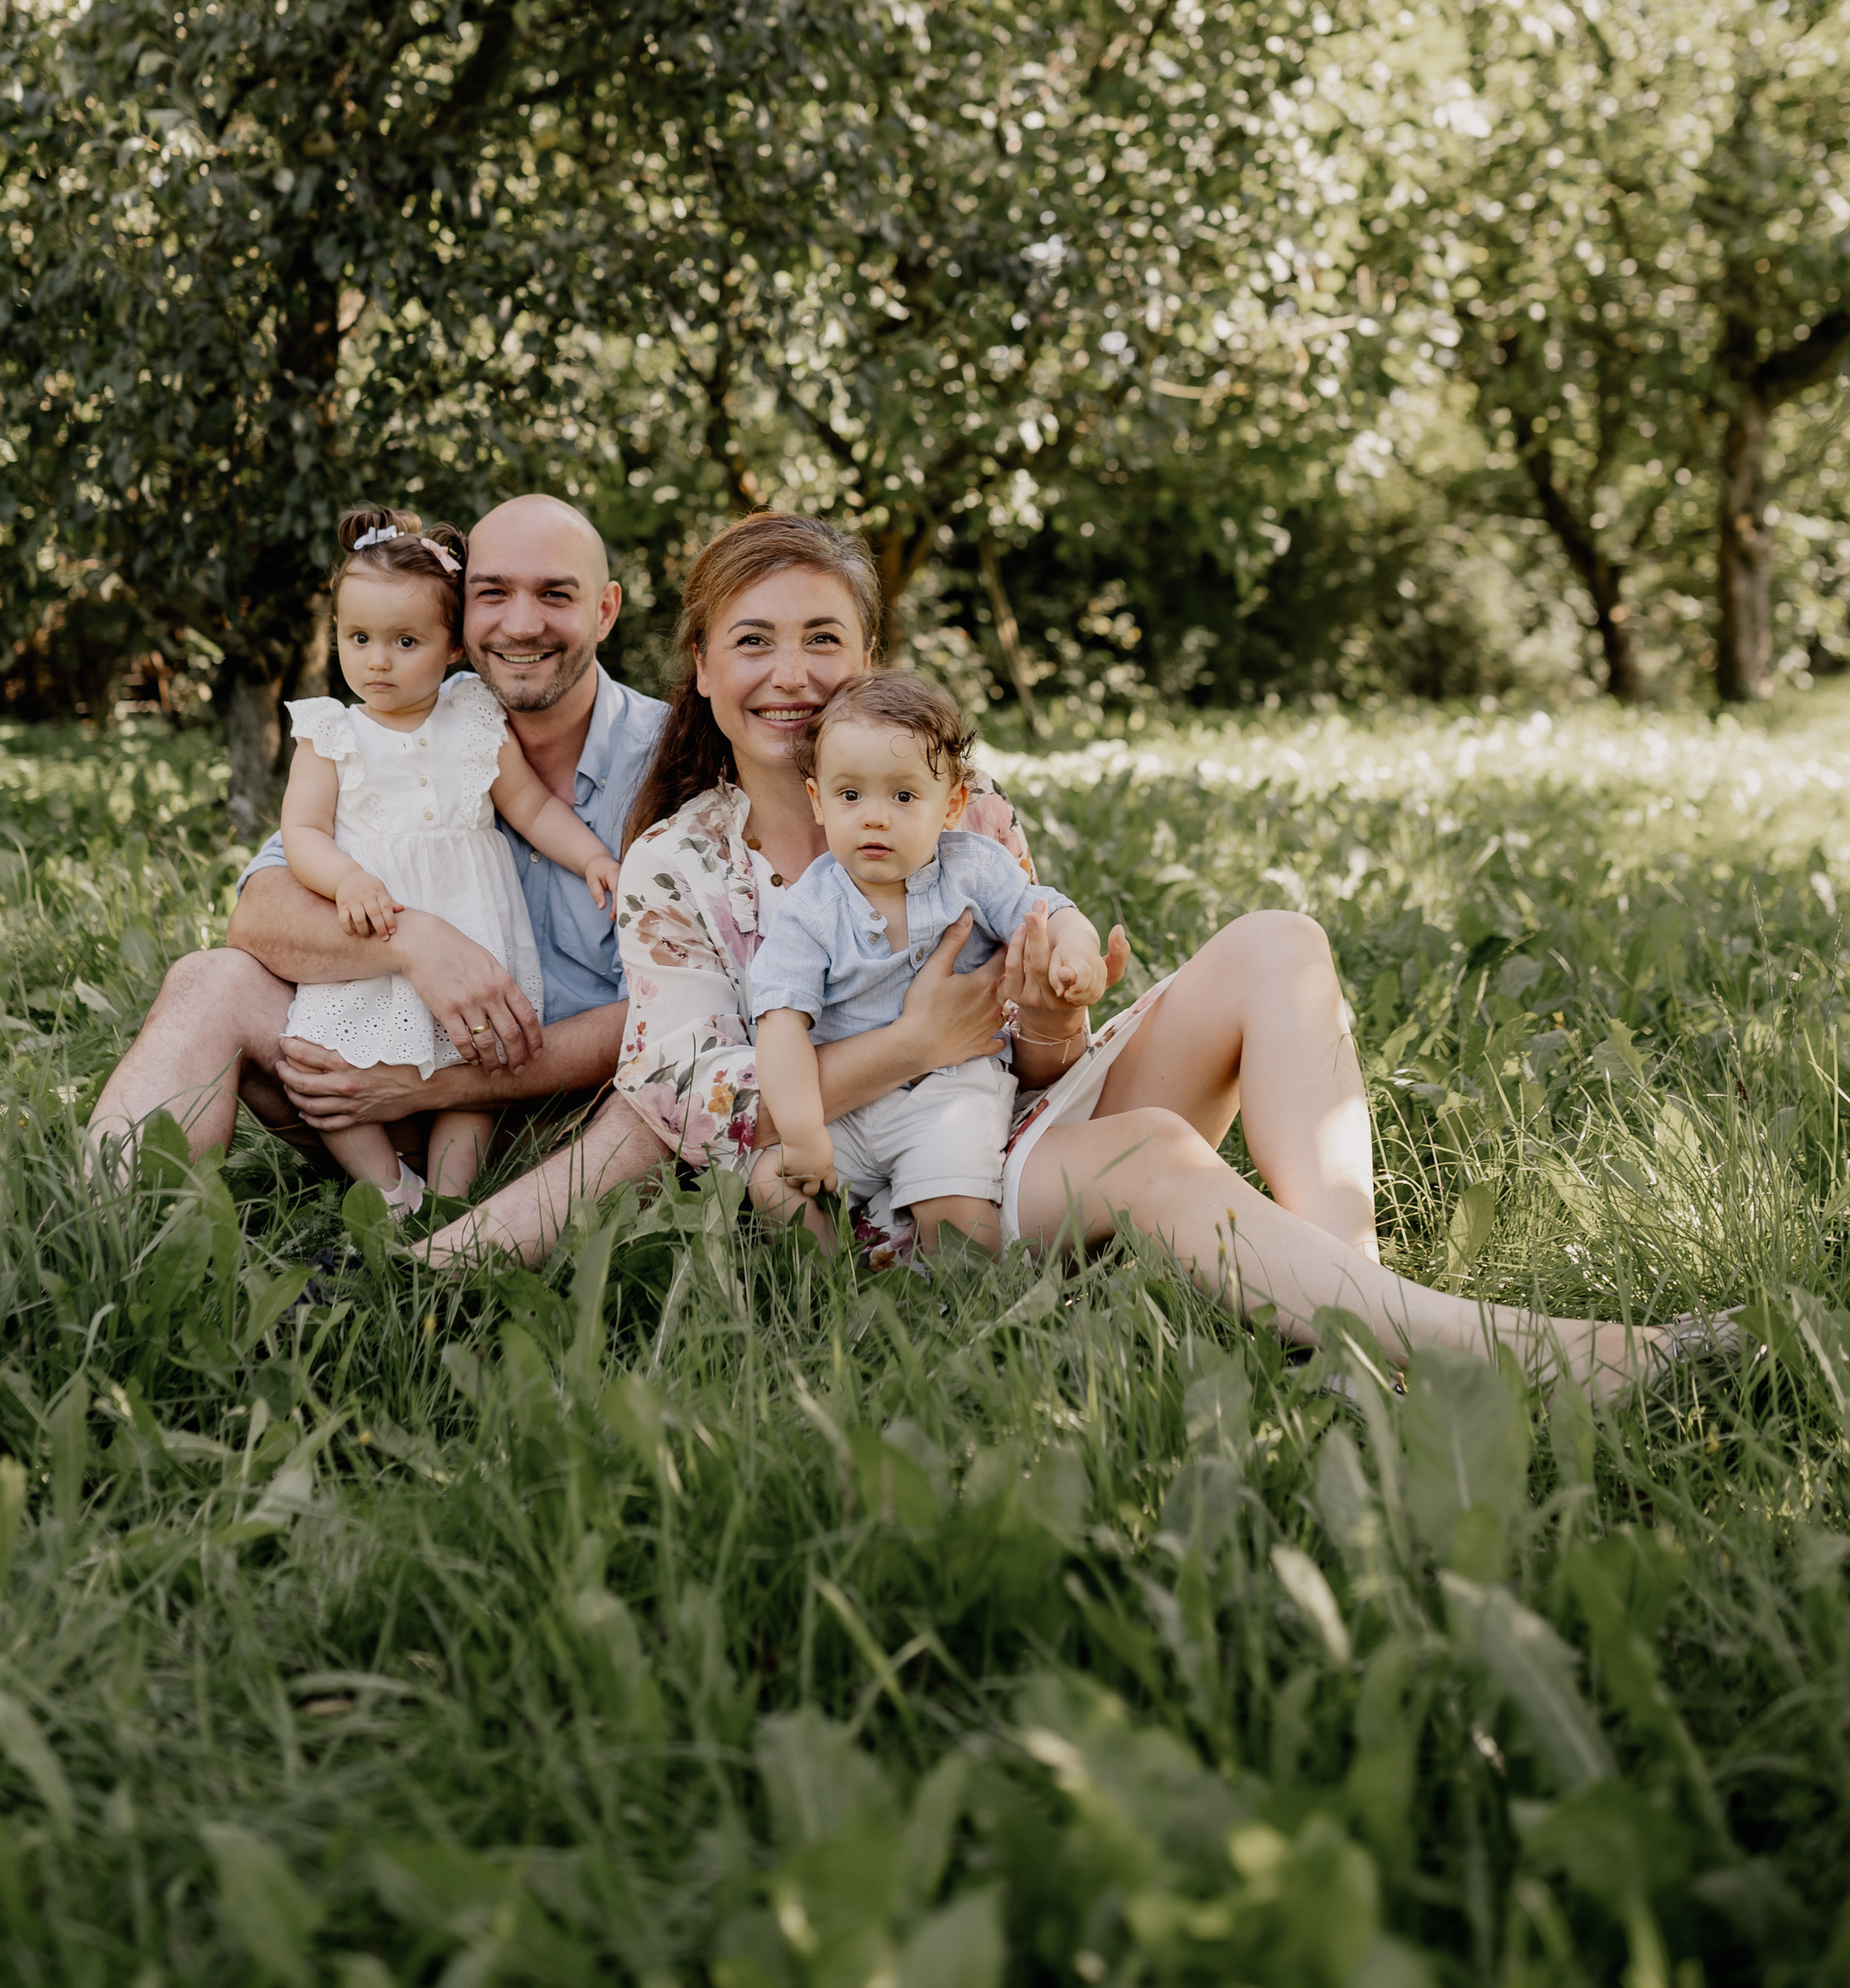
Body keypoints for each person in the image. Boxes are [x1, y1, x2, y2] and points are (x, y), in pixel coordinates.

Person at [420, 511, 1718, 1398]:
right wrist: (914, 1046)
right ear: (699, 669)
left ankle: (1351, 1307)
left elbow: (1034, 1042)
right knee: (1147, 1155)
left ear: (871, 663)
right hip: (894, 1188)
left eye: (825, 640)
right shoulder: (679, 867)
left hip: (1025, 1104)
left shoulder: (959, 812)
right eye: (753, 641)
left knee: (1280, 941)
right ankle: (1558, 1357)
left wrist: (1054, 1006)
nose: (792, 674)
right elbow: (697, 1101)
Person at [86, 495, 664, 1178]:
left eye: (555, 594)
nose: (521, 621)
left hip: (567, 1124)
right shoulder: (370, 735)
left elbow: (677, 1012)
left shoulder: (674, 763)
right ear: (461, 613)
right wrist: (413, 941)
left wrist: (440, 1084)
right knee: (208, 981)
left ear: (605, 609)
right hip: (371, 1081)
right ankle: (113, 1236)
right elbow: (261, 916)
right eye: (493, 593)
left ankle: (449, 1234)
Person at [277, 504, 624, 1213]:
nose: (377, 659)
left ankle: (450, 1201)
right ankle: (386, 1194)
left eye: (405, 640)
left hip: (476, 935)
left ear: (453, 645)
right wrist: (347, 878)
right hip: (381, 932)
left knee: (480, 1068)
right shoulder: (330, 734)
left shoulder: (473, 719)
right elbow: (302, 833)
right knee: (326, 1065)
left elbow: (529, 806)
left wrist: (592, 856)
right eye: (358, 637)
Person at [750, 671, 1101, 1255]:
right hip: (851, 1103)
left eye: (904, 796)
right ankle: (825, 1299)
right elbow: (780, 1024)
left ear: (952, 805)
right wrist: (804, 1130)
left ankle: (957, 1309)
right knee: (771, 1184)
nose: (875, 817)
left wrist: (1075, 950)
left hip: (954, 1089)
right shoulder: (809, 908)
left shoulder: (975, 869)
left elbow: (1052, 911)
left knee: (957, 1203)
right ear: (818, 800)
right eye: (850, 795)